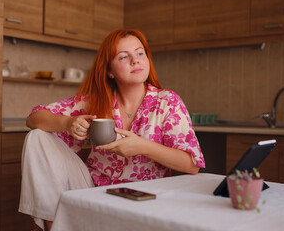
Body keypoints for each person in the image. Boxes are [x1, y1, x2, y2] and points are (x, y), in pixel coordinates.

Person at [19, 28, 205, 231]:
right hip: (92, 188)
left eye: (140, 53)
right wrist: (68, 123)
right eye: (124, 57)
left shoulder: (167, 102)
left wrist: (143, 146)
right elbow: (34, 117)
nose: (135, 60)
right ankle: (54, 225)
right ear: (109, 70)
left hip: (146, 196)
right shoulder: (94, 101)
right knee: (37, 136)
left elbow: (191, 164)